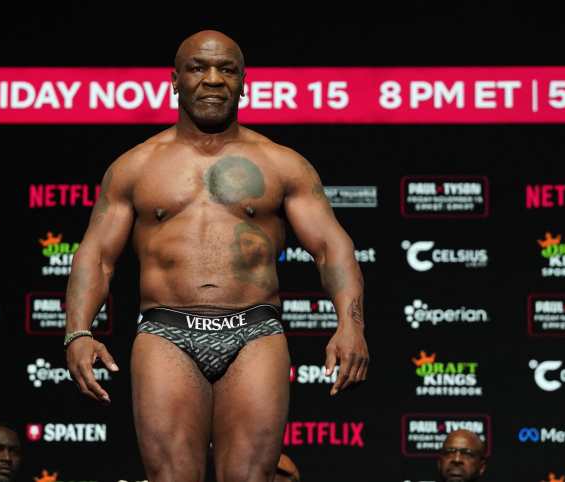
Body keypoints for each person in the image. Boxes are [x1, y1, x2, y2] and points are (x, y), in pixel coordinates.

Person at [65, 29, 369, 482]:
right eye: (198, 68)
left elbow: (331, 247)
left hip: (254, 331)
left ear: (243, 81)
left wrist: (351, 323)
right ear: (175, 79)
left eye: (227, 69)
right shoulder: (135, 166)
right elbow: (97, 256)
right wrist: (77, 331)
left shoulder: (281, 163)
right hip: (167, 331)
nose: (212, 79)